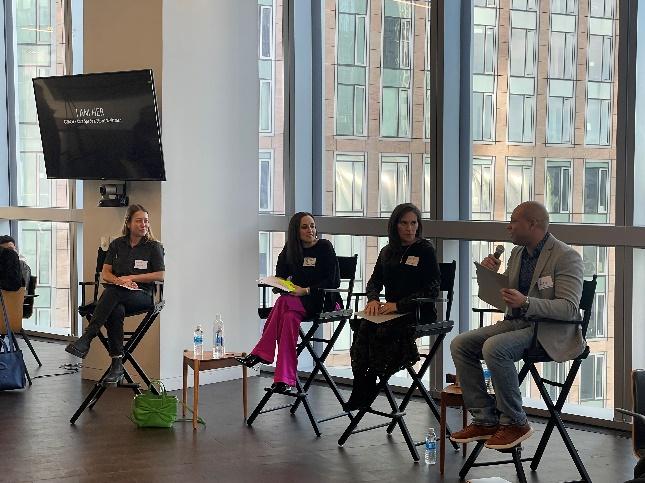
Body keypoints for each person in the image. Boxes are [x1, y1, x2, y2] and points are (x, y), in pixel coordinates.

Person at [450, 201, 584, 450]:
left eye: (514, 222)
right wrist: (494, 276)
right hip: (517, 323)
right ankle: (485, 419)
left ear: (532, 225)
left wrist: (527, 302)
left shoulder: (566, 257)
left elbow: (568, 309)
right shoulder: (518, 254)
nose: (508, 228)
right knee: (460, 344)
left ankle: (515, 422)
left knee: (494, 347)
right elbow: (509, 298)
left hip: (549, 332)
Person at [344, 203, 441, 411]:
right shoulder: (387, 251)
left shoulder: (425, 249)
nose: (409, 228)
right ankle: (362, 380)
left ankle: (372, 379)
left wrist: (398, 305)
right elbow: (374, 282)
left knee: (383, 331)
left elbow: (432, 290)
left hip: (416, 311)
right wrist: (372, 299)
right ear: (395, 226)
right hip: (388, 311)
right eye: (404, 223)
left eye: (414, 223)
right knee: (362, 325)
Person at [236, 212, 341, 393]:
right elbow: (281, 276)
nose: (310, 230)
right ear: (295, 231)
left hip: (323, 300)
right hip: (296, 305)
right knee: (289, 318)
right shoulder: (291, 250)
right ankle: (284, 380)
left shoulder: (324, 247)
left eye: (312, 226)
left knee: (283, 303)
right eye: (305, 227)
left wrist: (306, 290)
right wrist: (277, 284)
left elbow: (333, 282)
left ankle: (262, 352)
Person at [65, 204, 165, 384]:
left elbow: (160, 275)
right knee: (115, 308)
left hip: (142, 295)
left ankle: (88, 336)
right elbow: (106, 273)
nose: (144, 224)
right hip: (119, 293)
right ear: (128, 223)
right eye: (139, 221)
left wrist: (131, 278)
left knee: (112, 293)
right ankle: (117, 366)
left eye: (146, 221)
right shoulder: (117, 244)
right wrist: (120, 281)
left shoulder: (153, 247)